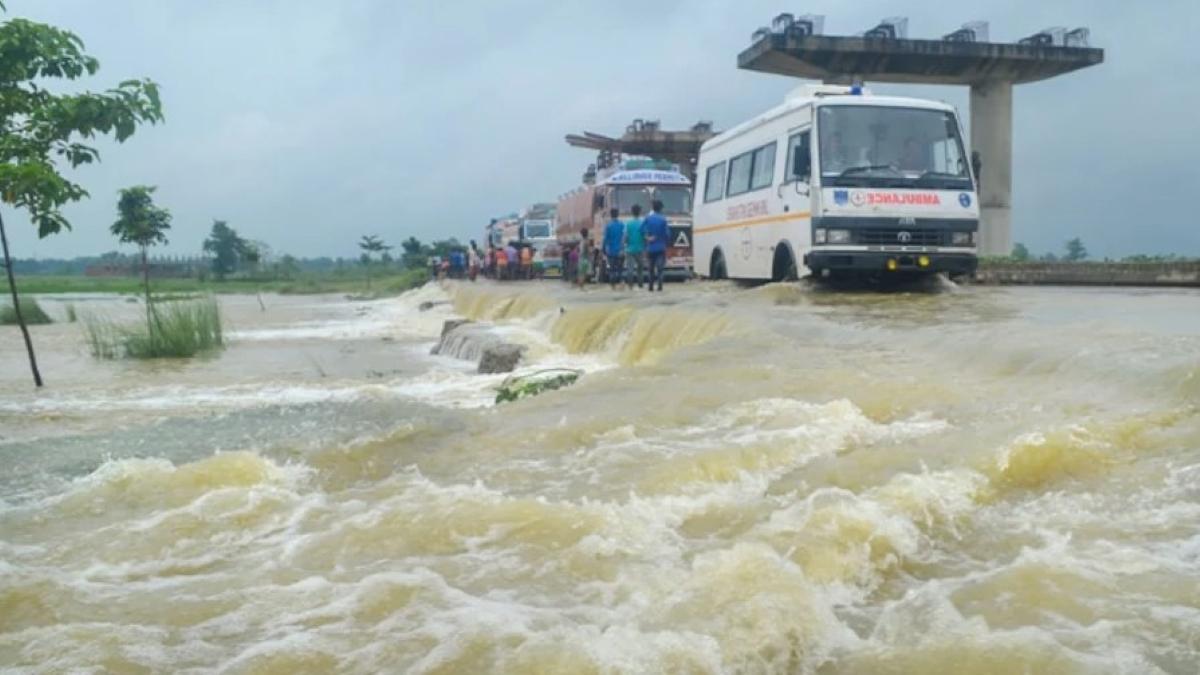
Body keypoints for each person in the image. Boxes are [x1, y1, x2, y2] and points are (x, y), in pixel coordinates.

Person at [643, 200, 669, 292]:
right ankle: (660, 286)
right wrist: (665, 242)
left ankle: (650, 287)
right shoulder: (663, 219)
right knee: (660, 269)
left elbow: (641, 230)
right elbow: (667, 234)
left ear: (653, 208)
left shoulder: (648, 218)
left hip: (650, 248)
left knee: (650, 269)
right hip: (661, 248)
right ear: (661, 208)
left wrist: (647, 238)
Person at [624, 203, 645, 288]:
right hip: (640, 249)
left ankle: (630, 285)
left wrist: (625, 244)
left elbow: (625, 237)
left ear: (632, 212)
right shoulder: (642, 223)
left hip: (630, 249)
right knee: (640, 268)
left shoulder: (628, 223)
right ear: (640, 212)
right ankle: (640, 284)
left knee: (630, 268)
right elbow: (645, 235)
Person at [602, 207, 624, 289]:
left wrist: (603, 249)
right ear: (617, 215)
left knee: (612, 269)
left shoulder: (608, 226)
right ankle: (621, 282)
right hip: (620, 250)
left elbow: (605, 239)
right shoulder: (621, 225)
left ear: (611, 215)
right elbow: (624, 237)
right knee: (620, 269)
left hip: (611, 251)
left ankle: (613, 285)